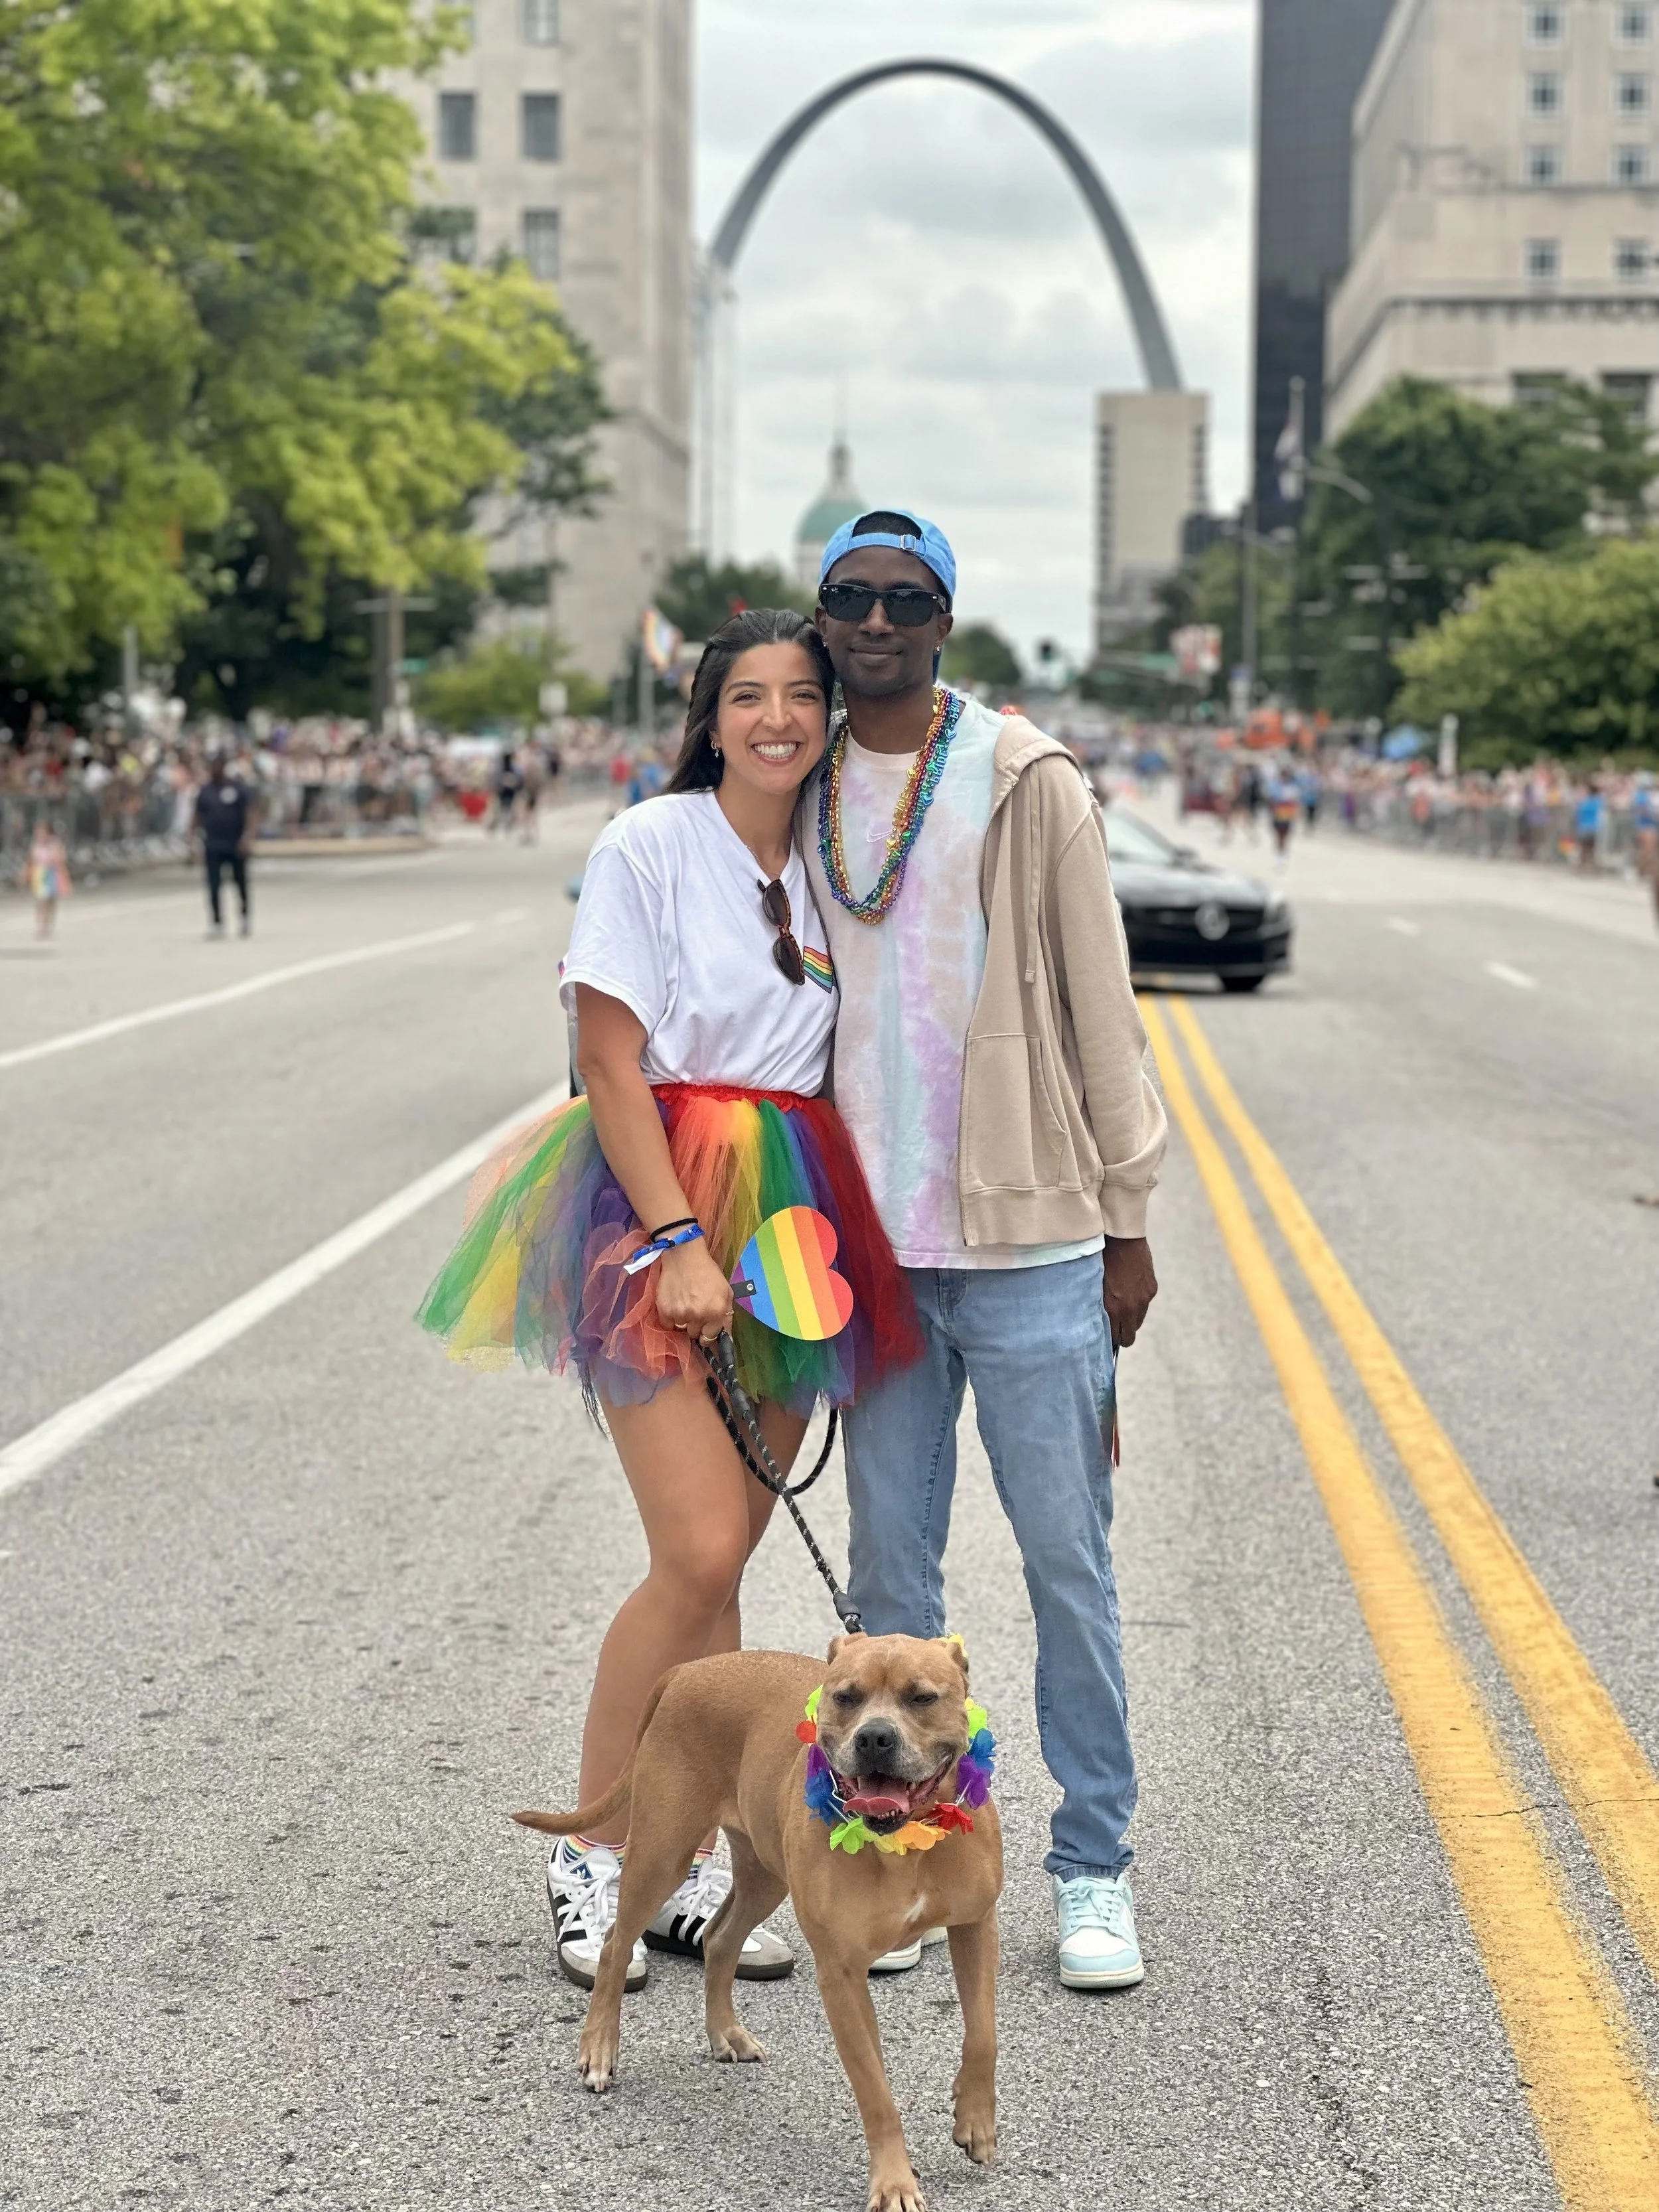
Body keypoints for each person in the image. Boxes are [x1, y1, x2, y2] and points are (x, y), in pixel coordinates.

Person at [417, 609, 919, 1996]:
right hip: (666, 1198)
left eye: (799, 695)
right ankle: (595, 1849)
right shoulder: (650, 840)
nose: (776, 717)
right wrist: (672, 1236)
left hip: (800, 1215)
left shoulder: (829, 862)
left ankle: (699, 1867)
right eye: (746, 695)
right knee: (694, 1551)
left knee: (733, 1550)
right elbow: (607, 1054)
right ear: (708, 717)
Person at [799, 509, 1166, 1992]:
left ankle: (1091, 1867)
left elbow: (1101, 1004)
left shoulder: (1026, 778)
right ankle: (894, 1856)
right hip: (870, 1252)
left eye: (905, 597)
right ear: (819, 613)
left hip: (1028, 1249)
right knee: (888, 1590)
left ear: (946, 618)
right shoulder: (795, 776)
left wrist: (1126, 1224)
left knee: (1067, 1564)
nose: (875, 619)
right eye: (850, 596)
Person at [194, 753, 253, 937]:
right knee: (214, 885)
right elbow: (197, 816)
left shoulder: (237, 788)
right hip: (213, 843)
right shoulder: (205, 791)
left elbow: (250, 813)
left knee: (240, 882)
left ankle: (244, 918)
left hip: (235, 842)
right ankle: (217, 922)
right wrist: (194, 840)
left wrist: (247, 837)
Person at [24, 819, 72, 940]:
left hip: (52, 873)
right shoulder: (35, 845)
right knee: (41, 900)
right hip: (40, 874)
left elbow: (61, 860)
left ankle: (48, 922)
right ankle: (42, 925)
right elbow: (30, 860)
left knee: (51, 901)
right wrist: (26, 873)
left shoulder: (55, 845)